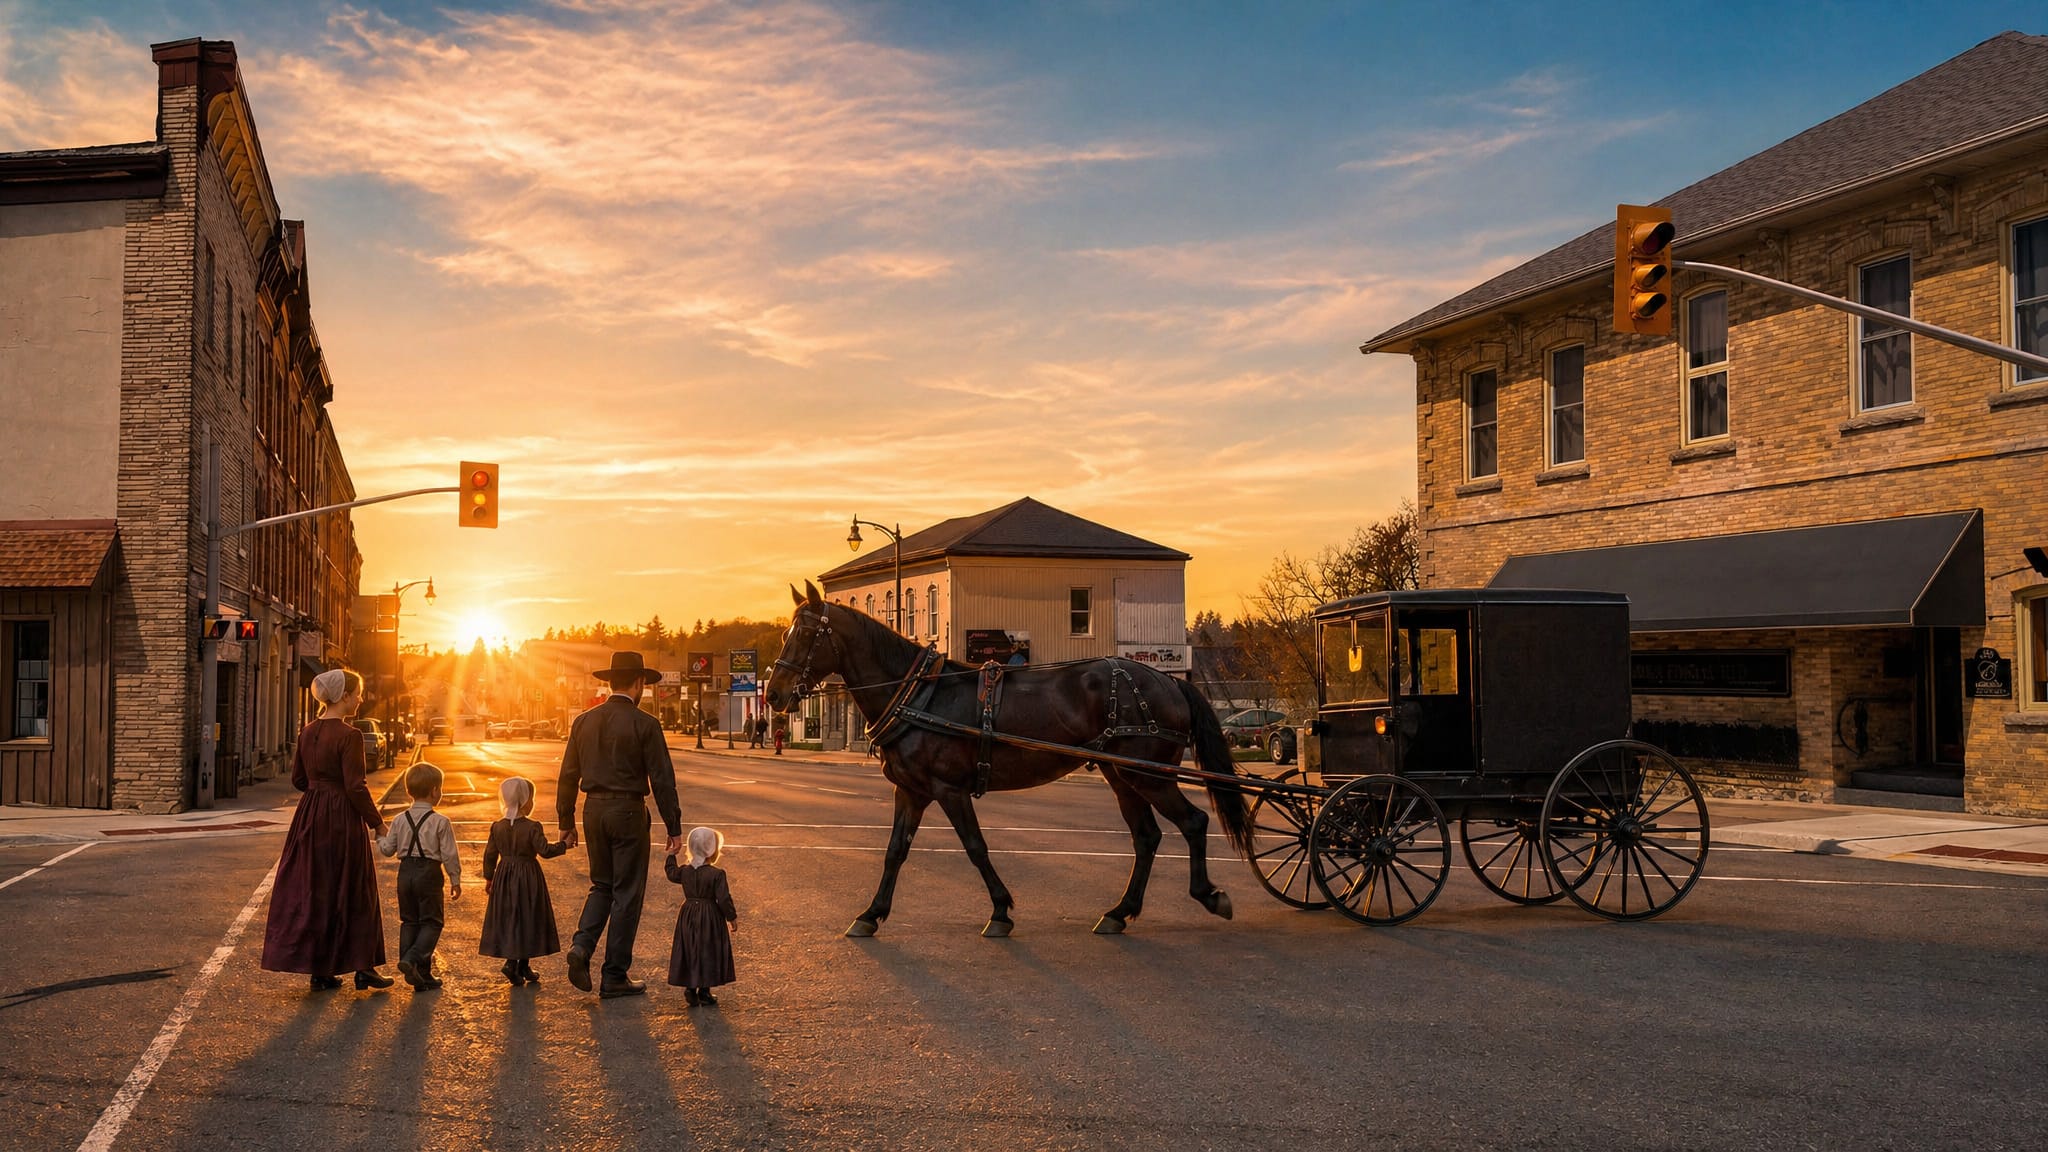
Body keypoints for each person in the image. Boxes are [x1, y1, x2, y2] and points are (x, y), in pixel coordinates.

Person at [557, 651, 684, 999]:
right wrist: (673, 825)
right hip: (628, 811)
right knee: (627, 894)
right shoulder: (645, 724)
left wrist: (565, 821)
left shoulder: (583, 721)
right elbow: (661, 778)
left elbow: (568, 775)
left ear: (610, 681)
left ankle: (582, 947)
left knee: (601, 885)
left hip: (593, 809)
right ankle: (614, 974)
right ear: (640, 682)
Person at [261, 668, 394, 992]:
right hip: (341, 818)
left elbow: (298, 780)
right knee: (354, 887)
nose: (361, 699)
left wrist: (318, 793)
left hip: (310, 816)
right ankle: (364, 967)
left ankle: (320, 970)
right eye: (358, 694)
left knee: (316, 889)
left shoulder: (307, 732)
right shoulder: (350, 736)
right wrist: (377, 823)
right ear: (345, 696)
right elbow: (356, 787)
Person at [376, 761, 462, 990]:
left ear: (409, 791)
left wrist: (379, 836)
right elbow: (449, 854)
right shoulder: (440, 821)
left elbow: (387, 849)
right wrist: (455, 879)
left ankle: (421, 973)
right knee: (432, 922)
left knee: (410, 920)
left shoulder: (399, 819)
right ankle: (412, 959)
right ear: (435, 791)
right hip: (429, 873)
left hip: (405, 873)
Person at [480, 776, 569, 986]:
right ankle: (516, 964)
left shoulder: (497, 826)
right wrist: (564, 845)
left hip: (504, 875)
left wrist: (489, 877)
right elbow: (545, 851)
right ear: (526, 801)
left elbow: (489, 855)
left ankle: (519, 965)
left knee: (512, 917)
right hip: (528, 876)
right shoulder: (532, 827)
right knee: (528, 917)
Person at [664, 826, 738, 1006]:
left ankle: (690, 987)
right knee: (708, 950)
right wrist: (731, 917)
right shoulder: (717, 874)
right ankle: (705, 991)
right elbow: (723, 898)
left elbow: (671, 873)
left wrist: (672, 855)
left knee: (690, 948)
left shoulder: (685, 871)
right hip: (709, 914)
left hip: (688, 913)